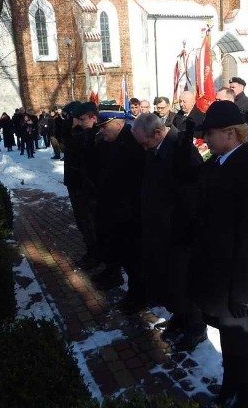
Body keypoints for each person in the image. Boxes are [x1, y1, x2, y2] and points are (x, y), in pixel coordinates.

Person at [188, 101, 248, 408]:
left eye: (210, 133)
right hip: (216, 271)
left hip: (239, 275)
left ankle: (245, 394)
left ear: (231, 134)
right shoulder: (214, 165)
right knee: (227, 336)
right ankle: (229, 385)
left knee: (244, 338)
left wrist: (244, 292)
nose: (205, 138)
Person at [132, 113, 206, 351]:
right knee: (171, 281)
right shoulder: (157, 148)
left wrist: (183, 226)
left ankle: (196, 327)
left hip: (179, 230)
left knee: (184, 281)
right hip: (162, 229)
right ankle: (180, 316)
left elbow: (192, 194)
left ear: (157, 133)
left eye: (145, 142)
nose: (143, 148)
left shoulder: (181, 148)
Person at [93, 104, 147, 312]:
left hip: (130, 215)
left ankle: (138, 297)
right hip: (119, 213)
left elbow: (133, 183)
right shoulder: (115, 142)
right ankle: (134, 294)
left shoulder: (131, 144)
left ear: (117, 123)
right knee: (127, 257)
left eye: (104, 126)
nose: (101, 130)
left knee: (134, 260)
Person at [63, 101, 101, 270]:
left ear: (93, 118)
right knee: (83, 222)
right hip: (76, 184)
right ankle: (91, 253)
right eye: (76, 118)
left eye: (81, 119)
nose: (78, 122)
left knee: (90, 224)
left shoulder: (94, 134)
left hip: (87, 187)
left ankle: (96, 255)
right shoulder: (80, 133)